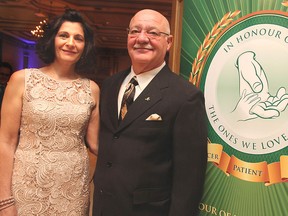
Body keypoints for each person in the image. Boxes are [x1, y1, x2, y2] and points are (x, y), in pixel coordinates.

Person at [93, 9, 207, 216]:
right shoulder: (110, 85)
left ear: (169, 42)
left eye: (153, 33)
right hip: (103, 207)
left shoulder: (185, 96)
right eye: (135, 31)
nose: (142, 38)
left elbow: (189, 178)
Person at [0, 9, 99, 215]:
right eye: (64, 35)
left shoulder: (92, 89)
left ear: (85, 46)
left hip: (72, 189)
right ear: (52, 39)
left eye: (78, 38)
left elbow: (97, 144)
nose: (70, 43)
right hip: (27, 186)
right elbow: (5, 141)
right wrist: (4, 199)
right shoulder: (22, 80)